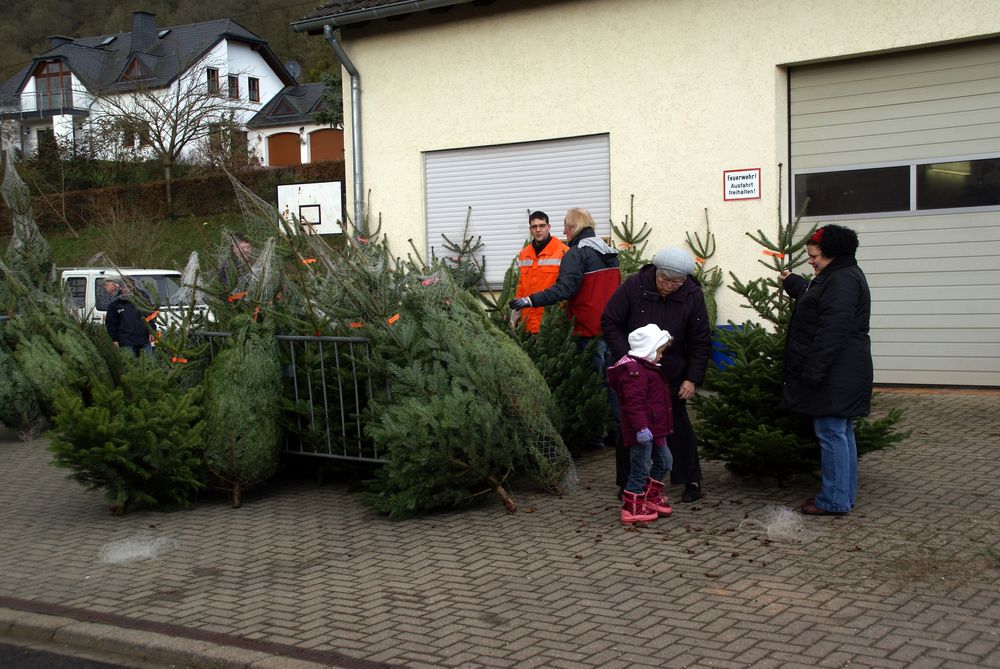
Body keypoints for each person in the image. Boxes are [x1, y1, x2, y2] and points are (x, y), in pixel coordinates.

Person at [601, 247, 711, 503]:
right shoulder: (634, 286)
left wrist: (692, 377)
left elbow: (700, 340)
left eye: (676, 282)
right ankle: (629, 482)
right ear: (656, 273)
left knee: (678, 425)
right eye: (665, 280)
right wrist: (625, 358)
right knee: (631, 424)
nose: (670, 286)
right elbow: (610, 321)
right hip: (635, 372)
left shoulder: (691, 295)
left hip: (673, 372)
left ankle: (689, 479)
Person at [780, 224, 872, 516]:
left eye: (814, 256)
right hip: (841, 371)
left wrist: (814, 371)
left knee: (831, 433)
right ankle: (843, 495)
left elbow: (832, 329)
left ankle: (833, 500)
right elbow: (817, 301)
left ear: (831, 254)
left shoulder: (841, 280)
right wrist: (794, 283)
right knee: (840, 432)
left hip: (835, 372)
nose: (810, 260)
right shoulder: (838, 276)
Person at [508, 208, 621, 444]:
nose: (563, 231)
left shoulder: (573, 253)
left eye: (565, 227)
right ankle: (617, 432)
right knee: (610, 381)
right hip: (610, 326)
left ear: (573, 228)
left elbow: (565, 288)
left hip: (583, 326)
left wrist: (531, 300)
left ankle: (594, 435)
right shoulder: (609, 251)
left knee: (591, 383)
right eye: (534, 226)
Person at [606, 324, 675, 525]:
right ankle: (632, 506)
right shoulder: (633, 373)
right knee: (640, 468)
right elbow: (633, 405)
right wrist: (641, 428)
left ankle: (650, 496)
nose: (661, 357)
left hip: (656, 429)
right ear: (649, 350)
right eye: (659, 352)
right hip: (641, 432)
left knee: (665, 462)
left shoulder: (648, 368)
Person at [510, 211, 569, 334]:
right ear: (530, 229)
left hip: (552, 323)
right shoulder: (524, 254)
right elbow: (521, 286)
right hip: (527, 322)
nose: (538, 230)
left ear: (548, 227)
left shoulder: (563, 252)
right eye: (534, 226)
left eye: (542, 225)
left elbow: (567, 288)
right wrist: (515, 314)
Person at [105, 278, 156, 356]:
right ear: (120, 288)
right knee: (130, 365)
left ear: (133, 287)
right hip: (126, 342)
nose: (126, 289)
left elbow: (151, 316)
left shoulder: (142, 300)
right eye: (124, 287)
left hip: (144, 340)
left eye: (129, 286)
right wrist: (114, 339)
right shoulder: (115, 303)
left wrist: (152, 331)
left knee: (149, 365)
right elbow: (111, 323)